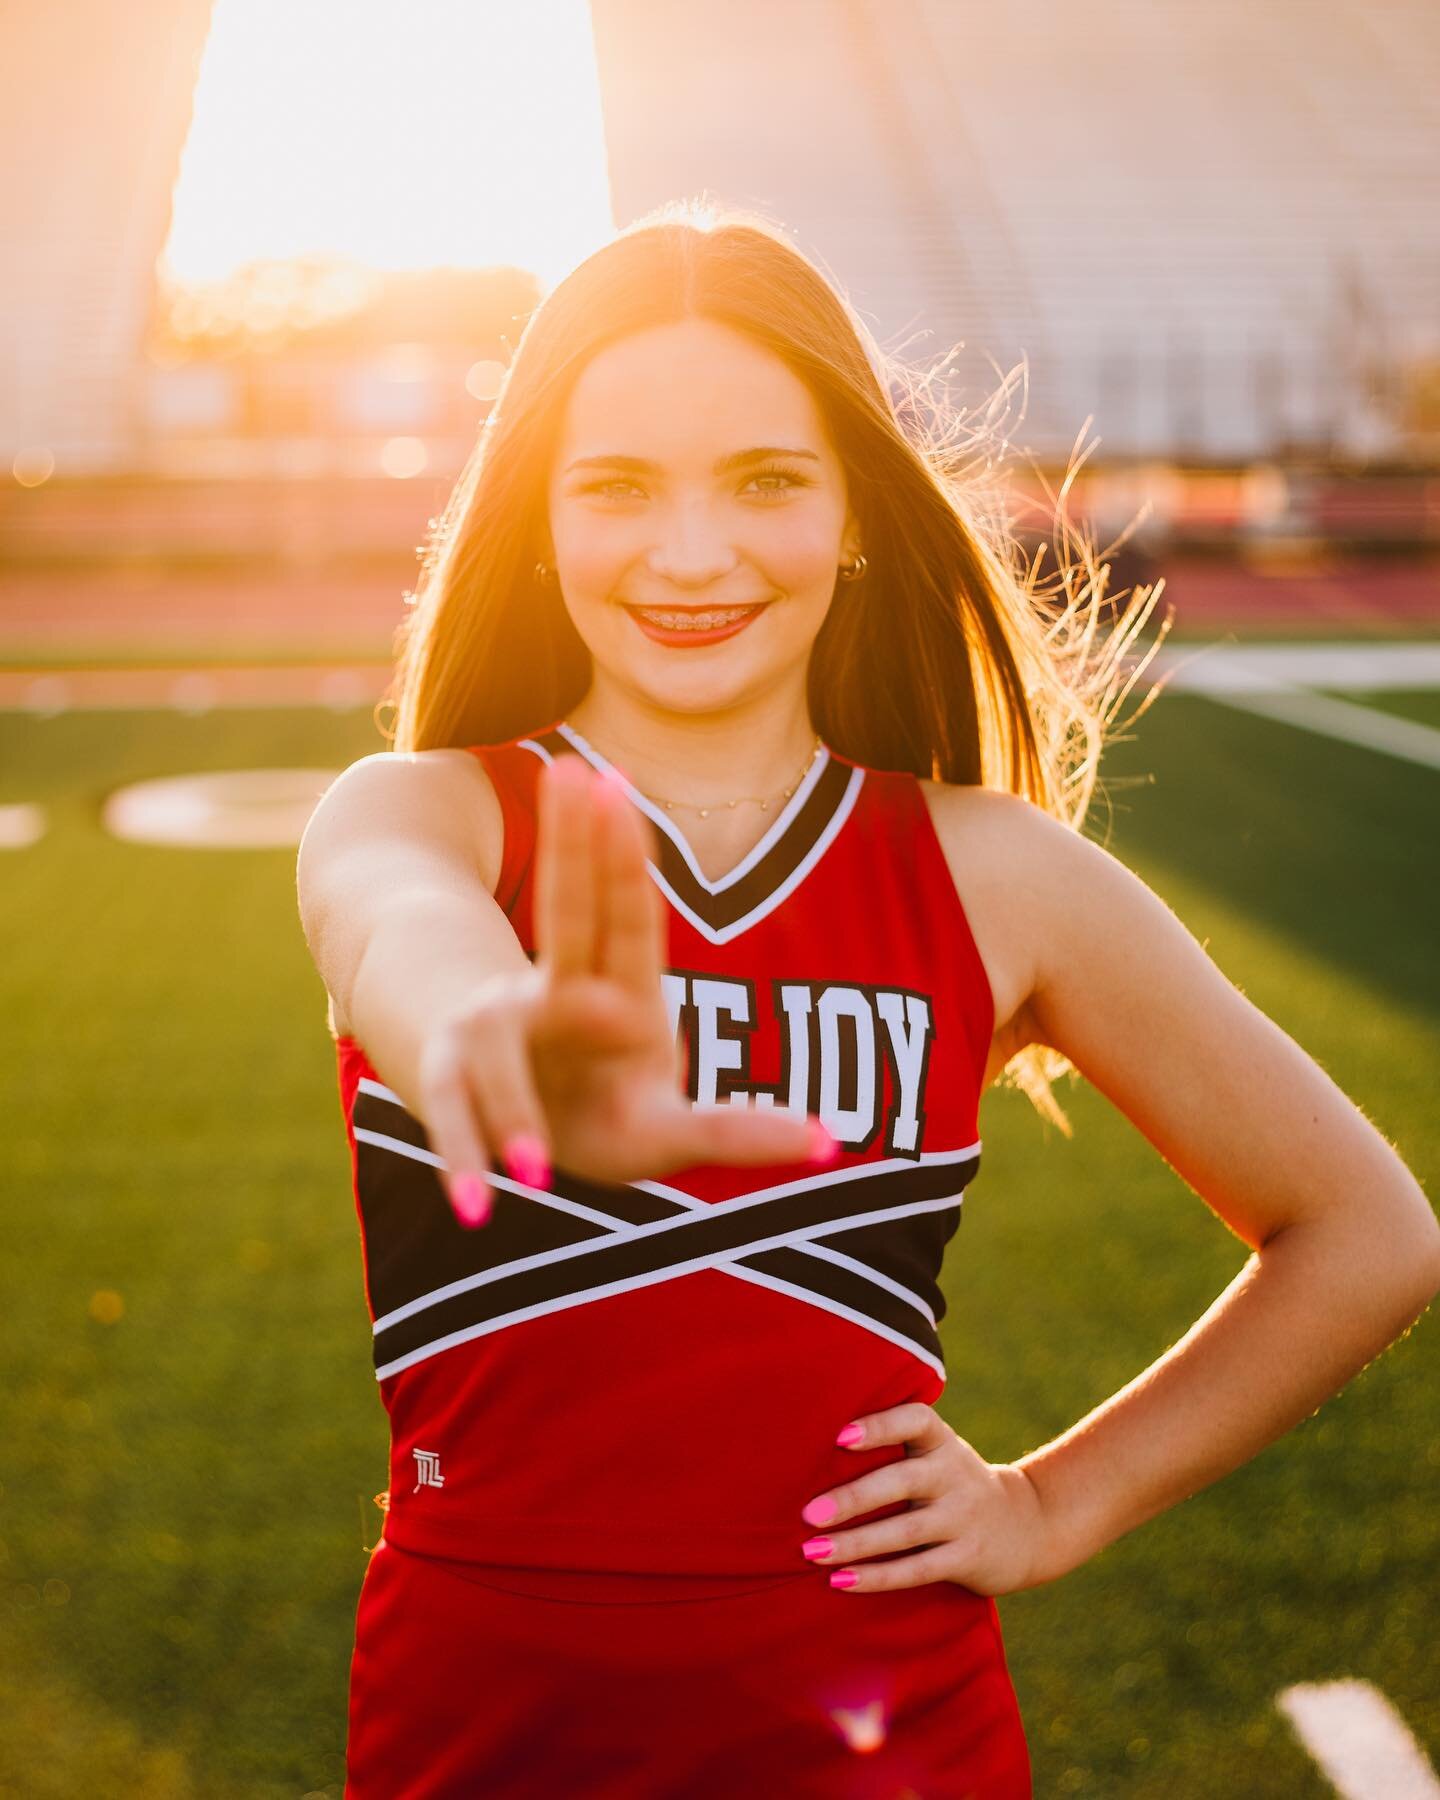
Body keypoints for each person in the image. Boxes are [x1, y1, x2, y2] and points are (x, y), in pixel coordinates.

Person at [295, 201, 1440, 1799]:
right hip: (481, 1718)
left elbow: (1366, 1231)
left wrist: (1051, 1505)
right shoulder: (426, 814)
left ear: (851, 512)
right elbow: (389, 921)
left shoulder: (997, 877)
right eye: (619, 485)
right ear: (537, 518)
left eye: (765, 480)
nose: (691, 552)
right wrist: (485, 1029)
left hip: (883, 1731)